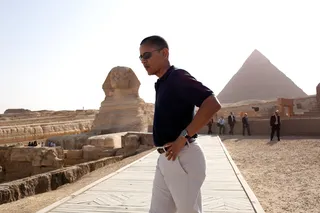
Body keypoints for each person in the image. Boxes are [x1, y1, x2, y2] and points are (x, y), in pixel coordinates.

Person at [139, 35, 221, 213]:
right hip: (165, 158)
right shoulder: (161, 84)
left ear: (165, 53)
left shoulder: (177, 76)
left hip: (183, 156)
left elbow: (212, 103)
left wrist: (182, 138)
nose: (143, 61)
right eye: (140, 58)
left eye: (146, 55)